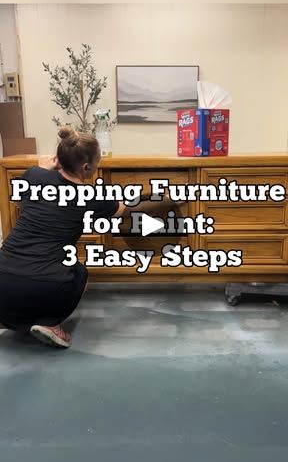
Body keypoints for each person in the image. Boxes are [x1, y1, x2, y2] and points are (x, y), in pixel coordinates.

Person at [0, 126, 177, 349]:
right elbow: (131, 208)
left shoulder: (35, 176)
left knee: (17, 282)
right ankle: (50, 323)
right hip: (45, 283)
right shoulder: (90, 196)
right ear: (86, 167)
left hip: (2, 274)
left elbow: (20, 199)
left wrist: (42, 168)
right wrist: (169, 200)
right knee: (79, 273)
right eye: (98, 161)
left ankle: (10, 317)